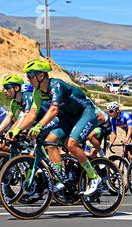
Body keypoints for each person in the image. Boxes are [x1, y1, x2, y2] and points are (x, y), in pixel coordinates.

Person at [22, 59, 101, 196]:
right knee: (50, 141)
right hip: (68, 117)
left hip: (85, 113)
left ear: (41, 76)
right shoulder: (37, 92)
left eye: (30, 75)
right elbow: (32, 114)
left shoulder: (56, 85)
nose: (28, 79)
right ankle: (59, 176)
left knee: (71, 144)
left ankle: (94, 177)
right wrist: (16, 130)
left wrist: (39, 126)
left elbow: (53, 110)